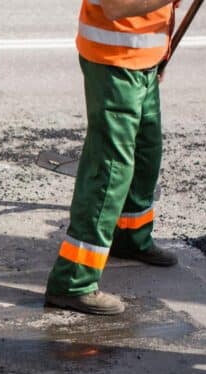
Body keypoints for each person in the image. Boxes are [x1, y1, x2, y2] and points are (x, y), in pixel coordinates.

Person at [45, 0, 181, 315]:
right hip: (114, 61)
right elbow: (116, 6)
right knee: (110, 171)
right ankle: (73, 281)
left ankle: (131, 236)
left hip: (144, 59)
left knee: (146, 153)